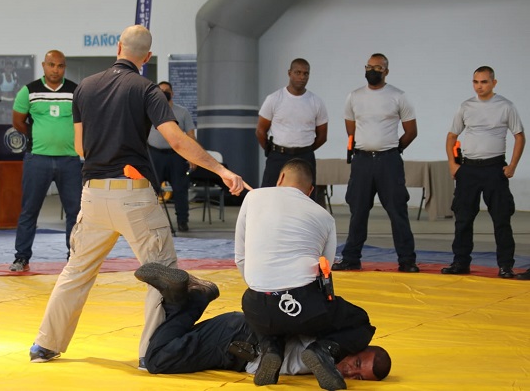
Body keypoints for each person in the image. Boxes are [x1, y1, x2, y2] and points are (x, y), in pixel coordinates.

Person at [29, 25, 249, 368]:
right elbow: (177, 141)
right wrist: (222, 171)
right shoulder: (146, 89)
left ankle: (45, 344)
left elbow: (80, 148)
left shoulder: (84, 88)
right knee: (163, 275)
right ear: (146, 58)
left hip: (93, 195)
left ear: (118, 47)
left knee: (76, 271)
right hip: (132, 195)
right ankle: (152, 352)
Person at [235, 158, 374, 389]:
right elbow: (324, 274)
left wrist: (266, 288)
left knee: (266, 309)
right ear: (310, 191)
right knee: (360, 322)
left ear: (279, 178)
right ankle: (323, 351)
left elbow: (240, 258)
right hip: (304, 307)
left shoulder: (253, 197)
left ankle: (272, 349)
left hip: (256, 305)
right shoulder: (325, 217)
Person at [135, 262, 391, 385]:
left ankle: (186, 299)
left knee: (171, 344)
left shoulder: (327, 357)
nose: (350, 371)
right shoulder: (330, 338)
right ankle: (192, 299)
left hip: (237, 342)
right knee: (157, 360)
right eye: (357, 364)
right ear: (358, 346)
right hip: (240, 340)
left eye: (359, 376)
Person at [332, 53, 419, 273]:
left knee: (397, 210)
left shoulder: (398, 96)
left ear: (386, 71)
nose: (372, 71)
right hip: (361, 161)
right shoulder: (354, 96)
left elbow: (411, 132)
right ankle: (351, 258)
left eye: (378, 68)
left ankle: (406, 260)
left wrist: (393, 149)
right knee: (358, 211)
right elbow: (350, 128)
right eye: (369, 67)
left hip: (389, 161)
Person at [441, 66, 526, 280]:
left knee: (501, 219)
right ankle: (460, 262)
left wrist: (513, 165)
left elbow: (519, 136)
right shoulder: (466, 106)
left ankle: (505, 265)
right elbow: (451, 136)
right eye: (476, 82)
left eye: (484, 82)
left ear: (494, 83)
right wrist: (453, 165)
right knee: (463, 219)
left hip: (494, 169)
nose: (480, 86)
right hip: (468, 169)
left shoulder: (505, 106)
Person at [9, 50, 82, 272]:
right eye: (51, 65)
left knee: (75, 212)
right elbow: (18, 122)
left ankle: (74, 257)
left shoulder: (75, 91)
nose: (55, 70)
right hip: (37, 159)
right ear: (43, 65)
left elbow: (84, 122)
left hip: (70, 160)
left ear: (64, 67)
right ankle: (21, 257)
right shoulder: (28, 91)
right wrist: (38, 136)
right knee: (29, 210)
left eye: (60, 66)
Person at [256, 58, 328, 201]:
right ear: (289, 73)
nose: (302, 77)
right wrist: (271, 150)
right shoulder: (274, 99)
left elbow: (322, 136)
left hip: (305, 156)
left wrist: (305, 148)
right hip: (278, 155)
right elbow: (260, 131)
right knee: (268, 196)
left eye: (306, 74)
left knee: (306, 199)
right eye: (298, 72)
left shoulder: (316, 102)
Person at [148, 81, 196, 232]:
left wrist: (192, 156)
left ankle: (182, 221)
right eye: (160, 90)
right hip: (154, 154)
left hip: (176, 155)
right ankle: (152, 222)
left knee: (180, 189)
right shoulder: (150, 110)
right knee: (151, 190)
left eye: (166, 91)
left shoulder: (182, 112)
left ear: (172, 93)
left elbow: (190, 135)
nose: (164, 93)